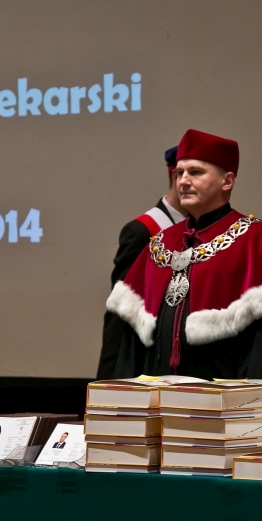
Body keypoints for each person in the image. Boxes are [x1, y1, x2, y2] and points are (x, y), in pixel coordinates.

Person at [107, 128, 262, 396]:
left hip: (222, 403)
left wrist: (252, 408)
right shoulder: (161, 243)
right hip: (157, 401)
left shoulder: (255, 241)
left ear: (227, 181)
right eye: (179, 173)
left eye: (195, 172)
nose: (183, 181)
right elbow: (131, 343)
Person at [97, 146, 188, 379]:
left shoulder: (204, 232)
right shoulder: (143, 231)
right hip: (149, 365)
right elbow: (121, 313)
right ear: (177, 177)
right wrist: (109, 382)